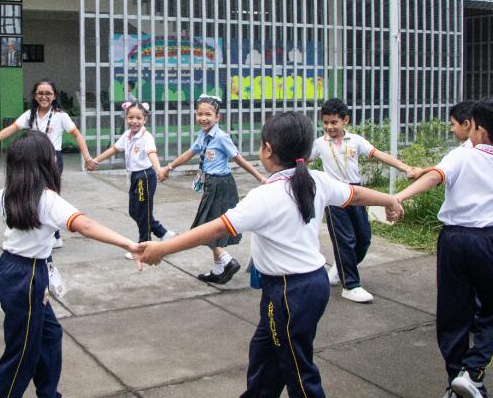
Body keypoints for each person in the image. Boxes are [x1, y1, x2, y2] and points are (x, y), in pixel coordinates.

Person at [140, 112, 403, 398]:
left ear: (268, 150)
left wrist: (162, 248)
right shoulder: (316, 180)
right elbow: (356, 194)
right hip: (303, 286)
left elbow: (214, 229)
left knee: (297, 368)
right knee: (265, 354)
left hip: (289, 291)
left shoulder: (267, 196)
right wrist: (389, 199)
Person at [0, 131, 142, 398]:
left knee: (49, 335)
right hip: (26, 278)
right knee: (21, 354)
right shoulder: (48, 200)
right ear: (45, 162)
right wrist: (128, 244)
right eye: (51, 154)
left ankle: (48, 394)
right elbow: (84, 225)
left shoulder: (8, 194)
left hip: (11, 271)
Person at [390, 97, 493, 398]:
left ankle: (457, 380)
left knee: (453, 314)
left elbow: (436, 177)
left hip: (453, 241)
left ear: (479, 130)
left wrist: (398, 197)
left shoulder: (462, 156)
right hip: (489, 242)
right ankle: (473, 372)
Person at [309, 97, 420, 303]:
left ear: (345, 121)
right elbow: (302, 161)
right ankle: (350, 285)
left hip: (358, 195)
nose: (329, 127)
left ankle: (340, 268)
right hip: (334, 197)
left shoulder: (356, 141)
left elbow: (380, 155)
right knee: (345, 241)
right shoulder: (319, 143)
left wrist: (406, 168)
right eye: (325, 122)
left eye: (334, 122)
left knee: (363, 239)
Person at [158, 94, 265, 284]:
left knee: (204, 229)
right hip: (211, 185)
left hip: (221, 185)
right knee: (211, 227)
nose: (203, 118)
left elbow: (238, 158)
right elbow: (189, 153)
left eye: (208, 114)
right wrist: (169, 167)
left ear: (218, 117)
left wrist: (260, 177)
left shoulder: (221, 137)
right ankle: (218, 270)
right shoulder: (203, 136)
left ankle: (227, 260)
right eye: (200, 114)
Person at [0, 78, 93, 248]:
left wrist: (87, 157)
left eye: (48, 93)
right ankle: (41, 232)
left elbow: (77, 135)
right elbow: (10, 129)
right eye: (40, 93)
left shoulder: (60, 115)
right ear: (34, 95)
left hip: (52, 160)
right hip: (30, 159)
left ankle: (54, 235)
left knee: (50, 196)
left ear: (54, 96)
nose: (44, 96)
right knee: (32, 193)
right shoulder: (29, 115)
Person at [87, 101, 175, 258]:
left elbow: (151, 153)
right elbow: (114, 149)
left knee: (142, 212)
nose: (134, 121)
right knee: (134, 211)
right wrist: (96, 161)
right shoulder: (127, 135)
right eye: (131, 117)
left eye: (138, 118)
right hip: (134, 176)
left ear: (145, 119)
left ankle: (143, 247)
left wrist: (159, 169)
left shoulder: (146, 137)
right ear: (126, 118)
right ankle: (163, 233)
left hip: (145, 177)